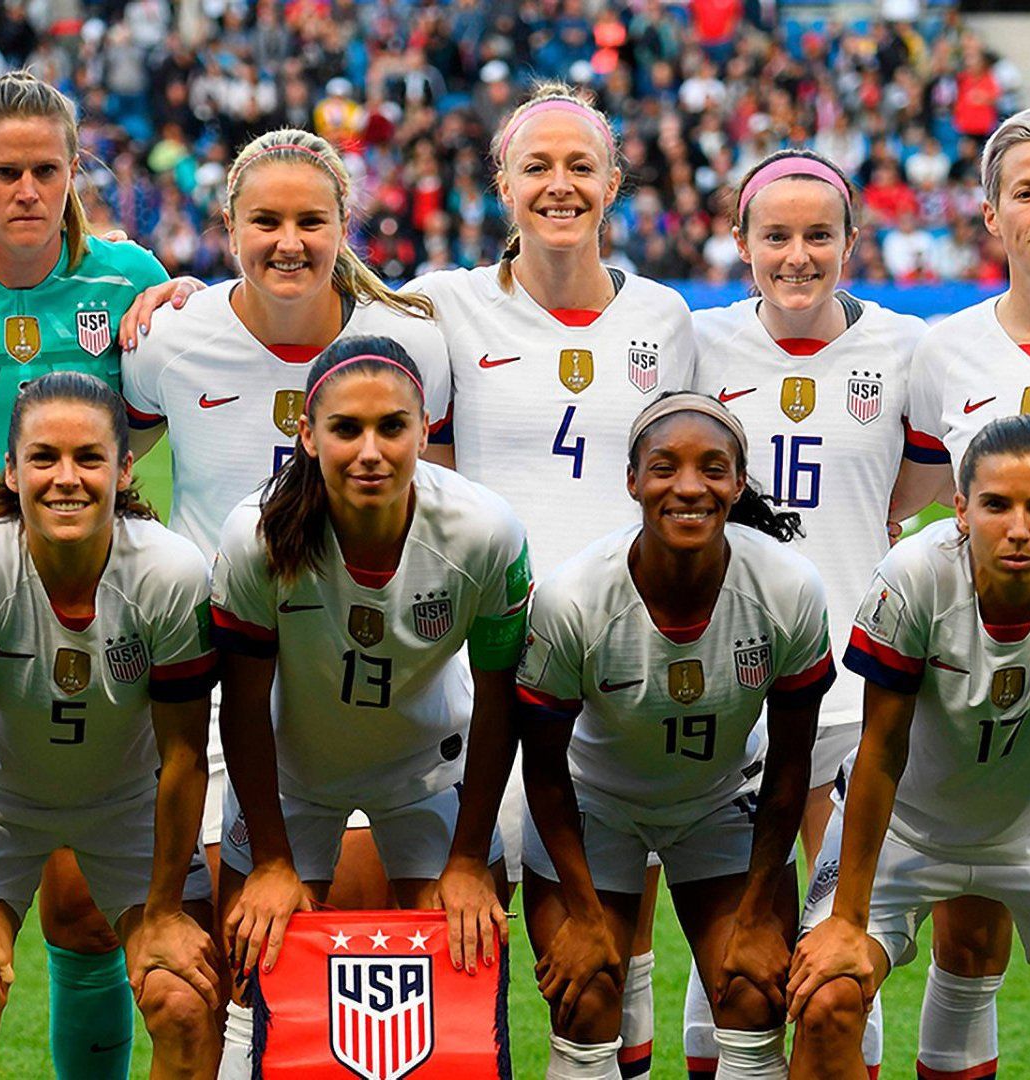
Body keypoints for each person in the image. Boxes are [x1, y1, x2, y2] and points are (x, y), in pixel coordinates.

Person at [407, 83, 698, 1079]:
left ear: (614, 183)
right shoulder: (443, 303)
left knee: (617, 940)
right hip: (480, 671)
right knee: (465, 917)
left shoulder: (664, 316)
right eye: (537, 166)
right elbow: (315, 299)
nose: (559, 184)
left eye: (581, 166)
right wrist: (173, 293)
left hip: (618, 669)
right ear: (503, 184)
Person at [122, 127, 450, 931]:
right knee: (230, 930)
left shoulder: (409, 343)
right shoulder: (170, 338)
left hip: (362, 666)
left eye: (311, 221)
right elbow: (112, 468)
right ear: (229, 226)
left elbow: (444, 501)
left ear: (343, 225)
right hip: (217, 668)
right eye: (265, 221)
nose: (289, 242)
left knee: (352, 919)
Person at [210, 336, 530, 1079]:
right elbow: (244, 705)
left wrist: (467, 861)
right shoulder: (255, 536)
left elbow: (498, 701)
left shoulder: (485, 532)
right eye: (346, 429)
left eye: (392, 427)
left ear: (424, 430)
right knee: (248, 993)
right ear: (307, 434)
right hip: (290, 775)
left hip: (430, 768)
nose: (370, 451)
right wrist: (272, 862)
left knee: (465, 971)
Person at [688, 148, 926, 1077]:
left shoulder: (905, 348)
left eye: (819, 235)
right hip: (731, 691)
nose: (797, 255)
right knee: (725, 953)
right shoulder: (699, 343)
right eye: (776, 236)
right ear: (740, 242)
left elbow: (925, 483)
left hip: (855, 696)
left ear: (851, 242)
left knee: (841, 950)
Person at [517, 392, 834, 1080]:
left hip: (720, 803)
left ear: (739, 483)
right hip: (595, 804)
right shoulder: (573, 598)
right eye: (664, 468)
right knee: (585, 997)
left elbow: (790, 764)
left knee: (753, 993)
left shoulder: (787, 587)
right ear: (632, 481)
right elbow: (542, 769)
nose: (689, 487)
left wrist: (758, 915)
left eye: (713, 469)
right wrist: (583, 916)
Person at [0, 70, 200, 1079]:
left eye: (46, 169)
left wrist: (192, 304)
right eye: (3, 172)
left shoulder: (126, 278)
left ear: (76, 170)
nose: (27, 190)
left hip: (95, 591)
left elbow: (170, 407)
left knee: (81, 910)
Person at [789, 414, 1030, 1080]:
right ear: (961, 510)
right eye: (997, 505)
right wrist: (847, 920)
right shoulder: (915, 574)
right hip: (905, 831)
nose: (1019, 528)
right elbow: (881, 750)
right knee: (827, 1000)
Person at [893, 105, 1030, 1080]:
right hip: (980, 693)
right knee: (968, 942)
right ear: (992, 214)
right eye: (1028, 192)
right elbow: (916, 505)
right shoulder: (945, 351)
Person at [0, 371, 221, 1077]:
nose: (66, 478)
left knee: (187, 1003)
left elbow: (185, 754)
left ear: (124, 471)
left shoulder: (169, 575)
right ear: (12, 470)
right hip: (0, 806)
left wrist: (164, 912)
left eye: (89, 458)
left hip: (130, 808)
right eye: (44, 458)